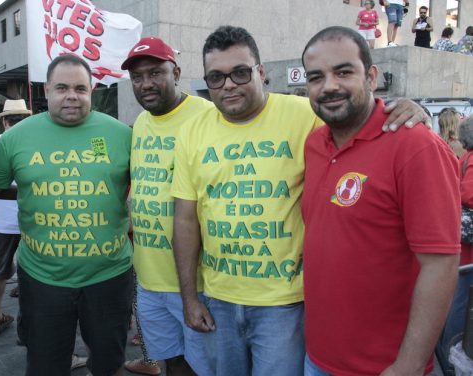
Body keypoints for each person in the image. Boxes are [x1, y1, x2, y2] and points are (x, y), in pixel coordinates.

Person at [171, 25, 429, 376]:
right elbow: (186, 219)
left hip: (286, 304)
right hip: (219, 299)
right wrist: (190, 297)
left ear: (261, 73)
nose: (228, 84)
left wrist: (410, 109)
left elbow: (360, 116)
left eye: (240, 72)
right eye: (216, 77)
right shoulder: (192, 132)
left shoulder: (305, 112)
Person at [301, 26, 460, 375]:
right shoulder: (313, 144)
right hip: (316, 358)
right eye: (316, 77)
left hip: (383, 367)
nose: (329, 86)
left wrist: (408, 365)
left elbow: (441, 265)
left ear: (371, 76)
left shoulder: (415, 147)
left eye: (343, 72)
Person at [0, 54, 133, 376]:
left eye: (80, 88)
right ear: (47, 90)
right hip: (43, 280)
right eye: (62, 87)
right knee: (45, 366)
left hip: (109, 278)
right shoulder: (15, 139)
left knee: (110, 365)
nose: (72, 95)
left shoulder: (121, 135)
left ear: (91, 90)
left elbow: (143, 187)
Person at [121, 37, 214, 376]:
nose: (146, 83)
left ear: (175, 72)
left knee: (205, 366)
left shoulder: (208, 115)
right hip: (149, 278)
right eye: (137, 77)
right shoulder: (142, 122)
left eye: (155, 73)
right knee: (171, 362)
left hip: (195, 282)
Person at [0, 99, 31, 336]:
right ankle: (29, 321)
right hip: (32, 219)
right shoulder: (34, 142)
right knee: (32, 272)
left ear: (4, 120)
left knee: (0, 269)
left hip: (4, 221)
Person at [437, 116, 473, 375]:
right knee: (460, 302)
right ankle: (450, 359)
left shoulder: (466, 157)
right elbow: (465, 193)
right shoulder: (471, 159)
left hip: (462, 247)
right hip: (467, 251)